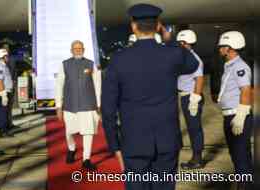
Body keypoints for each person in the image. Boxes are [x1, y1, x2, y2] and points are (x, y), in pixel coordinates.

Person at [101, 4, 199, 190]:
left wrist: (115, 146)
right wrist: (168, 38)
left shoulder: (119, 60)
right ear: (157, 26)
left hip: (134, 142)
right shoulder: (172, 54)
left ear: (133, 26)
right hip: (167, 141)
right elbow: (193, 64)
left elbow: (108, 109)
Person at [55, 40, 101, 170]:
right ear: (71, 50)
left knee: (88, 132)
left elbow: (98, 84)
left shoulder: (91, 64)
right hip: (70, 105)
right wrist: (59, 106)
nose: (78, 50)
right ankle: (72, 148)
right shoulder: (64, 65)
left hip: (88, 104)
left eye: (80, 48)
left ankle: (86, 159)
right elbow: (59, 85)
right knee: (69, 132)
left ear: (84, 49)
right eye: (75, 48)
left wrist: (99, 104)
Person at [217, 31, 253, 190]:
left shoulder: (240, 67)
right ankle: (247, 182)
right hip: (230, 115)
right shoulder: (230, 65)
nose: (219, 49)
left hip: (237, 115)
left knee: (240, 155)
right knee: (238, 153)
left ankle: (243, 186)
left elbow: (246, 90)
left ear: (230, 48)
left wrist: (240, 117)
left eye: (222, 46)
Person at [176, 29, 205, 170]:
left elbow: (199, 79)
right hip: (184, 96)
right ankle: (196, 157)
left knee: (194, 128)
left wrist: (194, 99)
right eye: (179, 42)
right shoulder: (182, 57)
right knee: (191, 127)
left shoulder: (195, 59)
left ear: (190, 43)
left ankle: (197, 159)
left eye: (184, 42)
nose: (181, 44)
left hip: (191, 96)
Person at [0, 49, 14, 137]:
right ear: (3, 57)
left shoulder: (4, 65)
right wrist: (3, 95)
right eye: (6, 56)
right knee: (2, 112)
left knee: (5, 112)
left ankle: (5, 129)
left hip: (7, 91)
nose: (8, 58)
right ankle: (3, 131)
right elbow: (0, 81)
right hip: (4, 92)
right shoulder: (0, 66)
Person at [1, 43, 18, 130]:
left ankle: (10, 123)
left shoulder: (12, 59)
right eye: (5, 48)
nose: (6, 50)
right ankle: (4, 125)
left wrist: (14, 81)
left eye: (8, 48)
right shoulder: (0, 61)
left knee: (10, 106)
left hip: (11, 86)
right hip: (3, 87)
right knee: (4, 107)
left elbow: (15, 71)